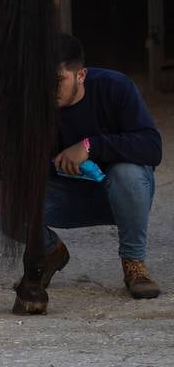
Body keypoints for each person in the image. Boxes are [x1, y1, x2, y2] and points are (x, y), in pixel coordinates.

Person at [39, 33, 162, 299]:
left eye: (57, 81)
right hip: (67, 196)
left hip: (122, 194)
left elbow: (152, 146)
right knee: (9, 198)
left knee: (128, 172)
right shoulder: (35, 104)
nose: (49, 89)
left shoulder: (114, 87)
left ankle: (134, 264)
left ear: (81, 75)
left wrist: (89, 146)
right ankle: (49, 252)